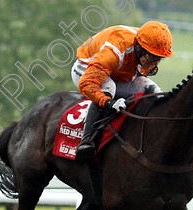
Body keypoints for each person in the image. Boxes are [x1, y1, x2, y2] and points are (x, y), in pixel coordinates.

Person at [71, 20, 174, 160]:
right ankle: (87, 140)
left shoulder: (148, 43)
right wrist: (108, 102)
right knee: (110, 88)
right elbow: (86, 83)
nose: (154, 63)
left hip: (115, 72)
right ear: (138, 47)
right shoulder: (116, 50)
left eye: (159, 59)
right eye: (150, 57)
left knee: (153, 89)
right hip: (85, 69)